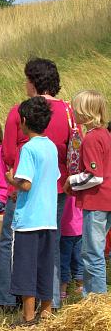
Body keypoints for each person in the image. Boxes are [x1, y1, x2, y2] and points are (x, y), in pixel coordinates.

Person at [0, 58, 71, 313]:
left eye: (27, 80)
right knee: (51, 245)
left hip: (24, 187)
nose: (25, 84)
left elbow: (7, 153)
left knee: (11, 242)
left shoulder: (20, 111)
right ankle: (51, 302)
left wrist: (13, 181)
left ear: (34, 82)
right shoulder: (68, 111)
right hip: (56, 187)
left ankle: (6, 299)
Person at [5, 97, 60, 327]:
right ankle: (46, 312)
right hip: (48, 218)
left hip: (29, 219)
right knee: (45, 266)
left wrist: (11, 180)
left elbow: (26, 183)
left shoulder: (28, 148)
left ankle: (28, 317)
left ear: (25, 121)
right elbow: (52, 178)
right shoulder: (51, 147)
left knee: (25, 267)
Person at [64, 90, 111, 295]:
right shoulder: (105, 134)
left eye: (76, 109)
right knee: (94, 251)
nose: (74, 112)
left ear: (86, 111)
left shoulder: (92, 138)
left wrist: (71, 180)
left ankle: (96, 299)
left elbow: (95, 175)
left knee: (92, 253)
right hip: (106, 199)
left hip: (96, 201)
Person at [59, 196, 83, 299]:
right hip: (79, 228)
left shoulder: (62, 189)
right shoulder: (78, 189)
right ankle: (80, 287)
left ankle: (62, 291)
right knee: (79, 260)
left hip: (64, 229)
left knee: (63, 261)